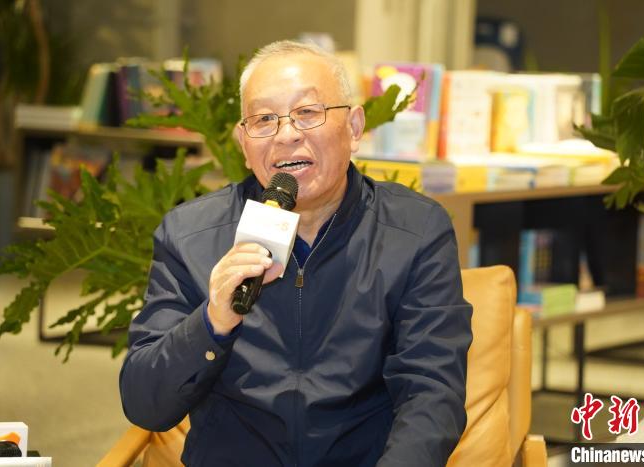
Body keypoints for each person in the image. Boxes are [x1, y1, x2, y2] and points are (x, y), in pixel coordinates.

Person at [119, 40, 472, 467]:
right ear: (243, 143)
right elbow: (145, 404)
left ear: (354, 128)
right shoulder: (190, 236)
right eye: (264, 119)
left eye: (307, 112)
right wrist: (212, 322)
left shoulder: (415, 231)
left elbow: (431, 395)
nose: (286, 134)